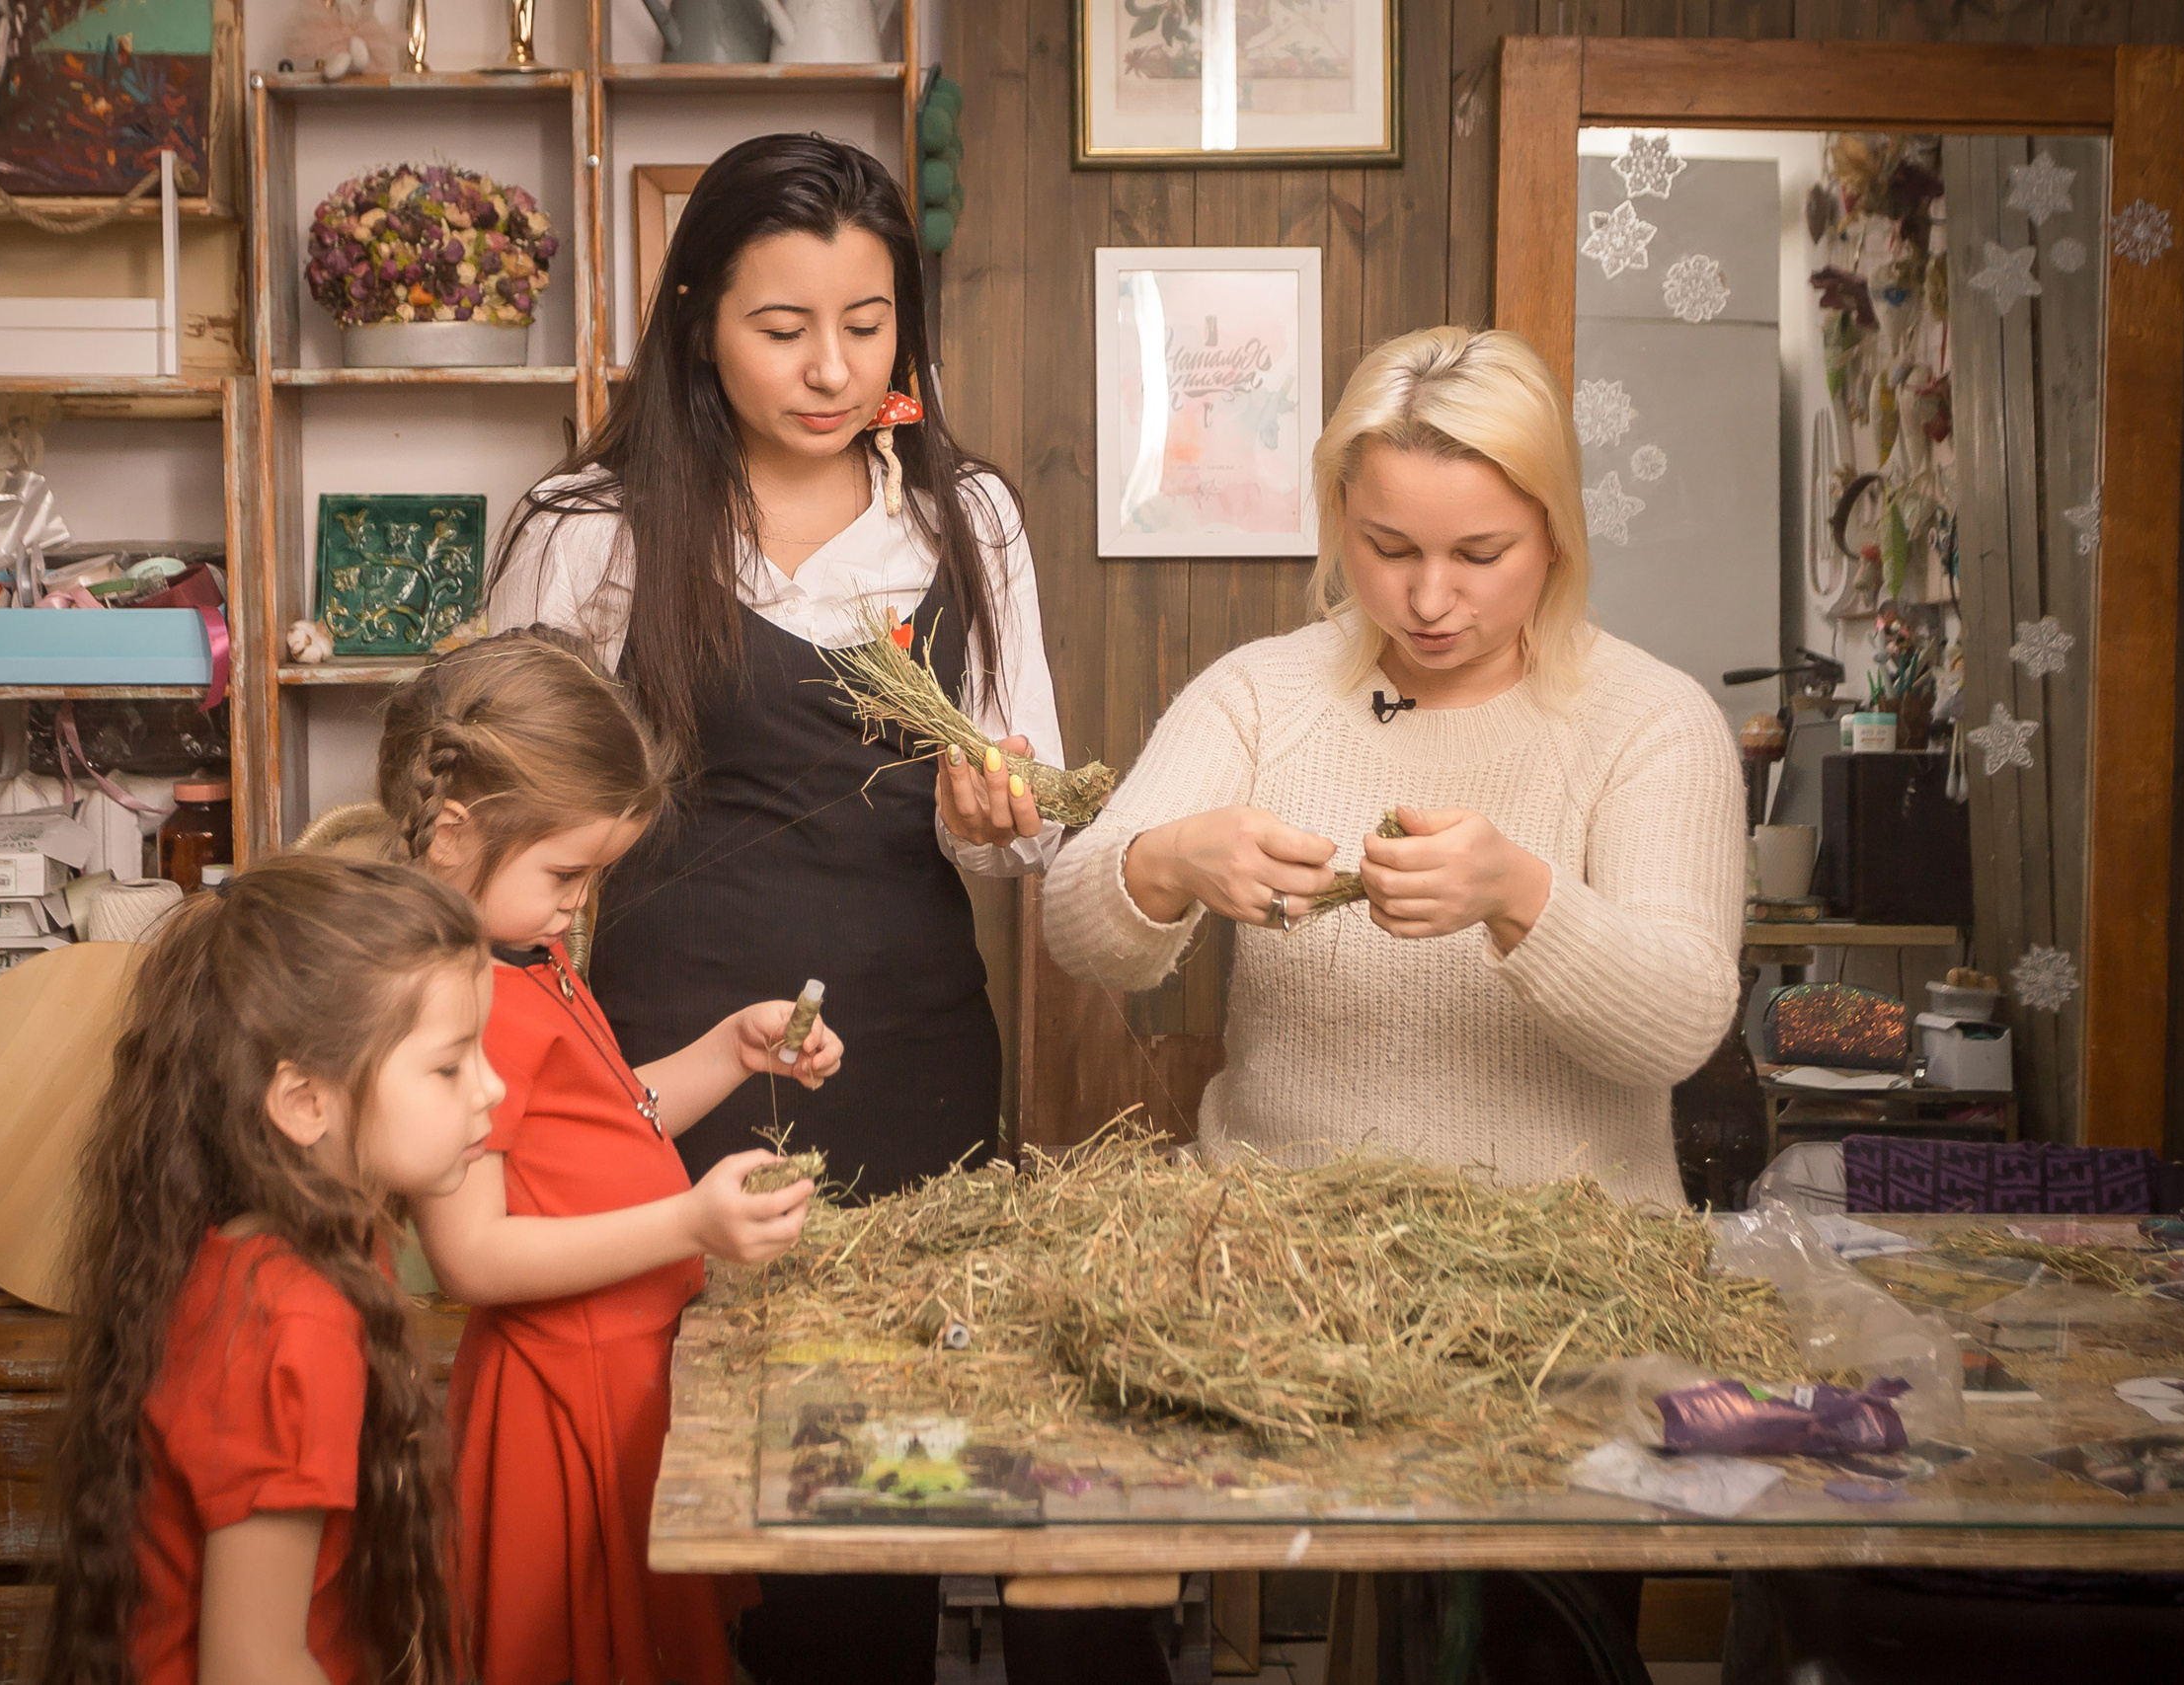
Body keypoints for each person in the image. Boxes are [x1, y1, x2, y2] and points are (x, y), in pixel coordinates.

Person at [482, 133, 1160, 1685]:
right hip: (667, 1049)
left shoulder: (962, 519)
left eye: (867, 324)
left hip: (906, 1051)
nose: (831, 367)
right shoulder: (592, 523)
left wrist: (990, 809)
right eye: (781, 327)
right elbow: (494, 816)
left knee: (874, 1476)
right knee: (668, 1450)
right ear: (695, 319)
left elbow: (1030, 829)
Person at [1044, 324, 1745, 1210]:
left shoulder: (1651, 719)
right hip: (1276, 1246)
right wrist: (1168, 860)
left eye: (1481, 556)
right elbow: (1076, 928)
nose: (1429, 598)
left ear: (1557, 536)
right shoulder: (1262, 694)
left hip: (1568, 1267)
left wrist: (1521, 897)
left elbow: (1680, 1025)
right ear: (1342, 515)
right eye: (1391, 547)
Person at [386, 632, 833, 1685]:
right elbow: (473, 1256)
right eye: (565, 873)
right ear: (453, 834)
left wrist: (731, 1048)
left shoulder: (526, 957)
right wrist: (687, 1227)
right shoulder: (464, 1002)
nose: (578, 902)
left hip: (625, 1373)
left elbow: (618, 1116)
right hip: (561, 1397)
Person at [38, 854, 499, 1685]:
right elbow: (253, 1665)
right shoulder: (298, 1319)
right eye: (449, 1065)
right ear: (303, 1101)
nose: (492, 1087)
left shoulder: (290, 1250)